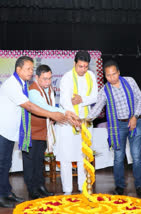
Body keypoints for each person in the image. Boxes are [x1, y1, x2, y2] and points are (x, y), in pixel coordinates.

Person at [0, 56, 79, 208]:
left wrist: (62, 113)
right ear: (18, 69)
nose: (31, 72)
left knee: (6, 164)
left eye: (31, 68)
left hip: (10, 131)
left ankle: (7, 194)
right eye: (28, 69)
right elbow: (29, 106)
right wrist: (52, 115)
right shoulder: (12, 84)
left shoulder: (22, 84)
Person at [88, 60, 141, 198]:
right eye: (108, 75)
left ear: (119, 72)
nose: (112, 77)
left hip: (135, 122)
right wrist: (84, 119)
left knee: (137, 156)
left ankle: (139, 187)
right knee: (118, 158)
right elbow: (96, 109)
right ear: (105, 76)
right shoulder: (105, 91)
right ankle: (120, 186)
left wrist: (135, 116)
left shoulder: (130, 81)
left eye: (114, 74)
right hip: (117, 126)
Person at [24, 64, 77, 199]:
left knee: (40, 161)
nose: (48, 82)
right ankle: (32, 190)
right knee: (31, 162)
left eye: (49, 79)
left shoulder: (49, 89)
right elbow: (45, 107)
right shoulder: (33, 91)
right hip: (31, 132)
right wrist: (65, 112)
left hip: (43, 131)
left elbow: (52, 108)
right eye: (44, 79)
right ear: (37, 77)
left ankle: (41, 186)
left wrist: (56, 116)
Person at [54, 51, 98, 195]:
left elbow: (95, 96)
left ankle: (82, 187)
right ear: (74, 63)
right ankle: (67, 190)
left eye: (85, 67)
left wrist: (82, 99)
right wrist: (73, 119)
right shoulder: (67, 77)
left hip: (85, 122)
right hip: (68, 123)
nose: (83, 70)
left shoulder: (91, 76)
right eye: (80, 66)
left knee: (82, 155)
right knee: (66, 156)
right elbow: (64, 101)